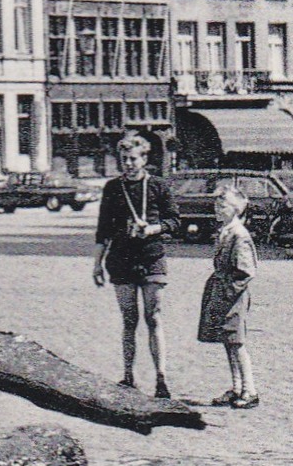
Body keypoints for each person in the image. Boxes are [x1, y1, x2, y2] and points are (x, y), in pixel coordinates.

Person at [92, 132, 179, 398]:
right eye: (124, 159)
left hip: (152, 258)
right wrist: (96, 264)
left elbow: (174, 221)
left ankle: (161, 379)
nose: (128, 163)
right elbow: (103, 229)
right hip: (121, 261)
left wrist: (152, 229)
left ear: (144, 159)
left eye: (133, 159)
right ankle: (128, 376)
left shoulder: (158, 186)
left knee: (154, 318)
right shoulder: (112, 188)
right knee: (129, 320)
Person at [197, 185, 259, 409]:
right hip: (223, 294)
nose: (217, 208)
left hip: (233, 297)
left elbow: (246, 272)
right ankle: (237, 387)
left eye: (222, 205)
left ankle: (250, 390)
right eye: (216, 204)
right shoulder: (226, 231)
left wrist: (227, 292)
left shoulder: (239, 235)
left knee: (237, 342)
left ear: (235, 209)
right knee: (227, 341)